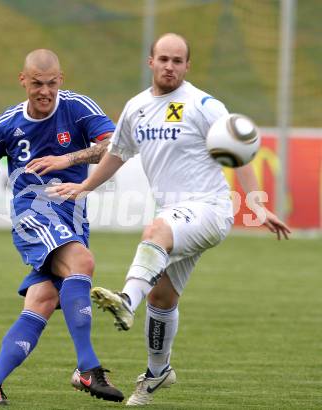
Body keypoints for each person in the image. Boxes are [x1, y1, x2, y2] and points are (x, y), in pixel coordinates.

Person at [48, 33, 291, 406]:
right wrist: (85, 187)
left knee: (155, 231)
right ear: (151, 61)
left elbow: (239, 151)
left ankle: (127, 299)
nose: (170, 66)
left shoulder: (203, 105)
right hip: (176, 214)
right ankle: (158, 372)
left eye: (178, 61)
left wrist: (256, 203)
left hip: (208, 208)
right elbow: (117, 153)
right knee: (162, 297)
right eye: (163, 59)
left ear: (187, 66)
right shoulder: (137, 107)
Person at [0, 49, 124, 405]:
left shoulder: (78, 107)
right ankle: (87, 369)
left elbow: (113, 145)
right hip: (33, 214)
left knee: (43, 300)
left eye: (50, 83)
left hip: (73, 217)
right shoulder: (6, 125)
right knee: (83, 264)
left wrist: (69, 158)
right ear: (23, 81)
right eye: (36, 84)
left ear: (60, 80)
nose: (44, 92)